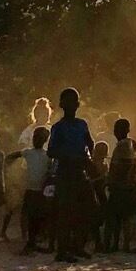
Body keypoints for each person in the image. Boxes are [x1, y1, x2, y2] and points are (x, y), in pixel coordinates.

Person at [46, 87, 96, 260]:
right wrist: (69, 156)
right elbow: (50, 151)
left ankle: (77, 246)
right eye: (67, 101)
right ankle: (62, 251)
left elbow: (90, 143)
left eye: (73, 101)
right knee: (66, 212)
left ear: (77, 104)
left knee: (88, 208)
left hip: (80, 171)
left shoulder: (82, 125)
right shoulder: (58, 128)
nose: (71, 105)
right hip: (65, 172)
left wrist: (88, 158)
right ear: (61, 104)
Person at [7, 124, 50, 252]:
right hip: (31, 190)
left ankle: (33, 240)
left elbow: (11, 157)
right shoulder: (29, 152)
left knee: (37, 217)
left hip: (40, 191)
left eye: (39, 138)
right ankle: (29, 240)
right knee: (29, 216)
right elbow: (12, 156)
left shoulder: (47, 155)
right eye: (36, 138)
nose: (36, 140)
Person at [103, 117, 136, 253]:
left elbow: (125, 165)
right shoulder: (128, 144)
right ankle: (122, 245)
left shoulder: (123, 145)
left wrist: (116, 181)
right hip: (125, 186)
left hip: (120, 187)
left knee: (117, 217)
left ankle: (116, 245)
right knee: (123, 218)